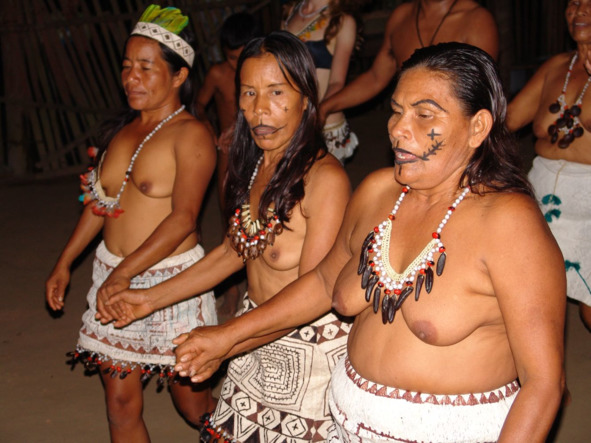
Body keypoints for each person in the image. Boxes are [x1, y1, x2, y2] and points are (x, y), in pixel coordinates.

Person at [152, 43, 565, 442]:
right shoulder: (379, 193)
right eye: (397, 111)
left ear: (478, 127)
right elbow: (322, 282)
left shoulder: (508, 223)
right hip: (344, 425)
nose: (398, 129)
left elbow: (543, 383)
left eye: (424, 115)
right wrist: (226, 337)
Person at [98, 31, 351, 442]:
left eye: (276, 92)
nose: (259, 109)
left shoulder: (325, 180)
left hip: (308, 353)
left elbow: (315, 293)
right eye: (249, 93)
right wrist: (148, 299)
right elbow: (233, 251)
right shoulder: (257, 166)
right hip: (254, 338)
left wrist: (227, 339)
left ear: (306, 98)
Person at [45, 5, 217, 441]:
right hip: (111, 274)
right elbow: (99, 204)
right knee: (119, 404)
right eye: (126, 66)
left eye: (145, 67)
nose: (130, 78)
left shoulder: (192, 135)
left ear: (178, 76)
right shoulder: (120, 133)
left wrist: (124, 274)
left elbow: (183, 219)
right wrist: (65, 262)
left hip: (170, 281)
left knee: (193, 404)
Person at [507, 0, 591, 331]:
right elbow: (509, 120)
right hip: (542, 198)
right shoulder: (557, 66)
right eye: (574, 3)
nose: (579, 11)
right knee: (528, 294)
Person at [320, 0, 499, 121]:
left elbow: (482, 94)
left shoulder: (477, 20)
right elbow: (376, 77)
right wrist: (326, 107)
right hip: (407, 127)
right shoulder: (401, 17)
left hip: (456, 133)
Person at [195, 11, 260, 321]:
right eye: (232, 58)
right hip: (228, 151)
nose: (238, 65)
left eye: (243, 56)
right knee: (229, 215)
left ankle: (258, 283)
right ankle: (232, 288)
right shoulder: (219, 74)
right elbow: (198, 104)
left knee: (260, 214)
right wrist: (209, 128)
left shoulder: (262, 73)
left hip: (259, 149)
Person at [283, 0, 362, 163]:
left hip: (323, 125)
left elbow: (336, 83)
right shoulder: (291, 11)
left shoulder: (343, 21)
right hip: (290, 120)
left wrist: (314, 119)